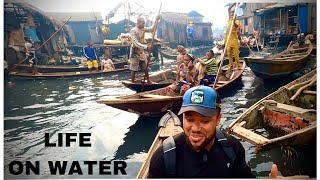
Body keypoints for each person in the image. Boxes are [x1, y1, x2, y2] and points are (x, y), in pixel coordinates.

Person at [149, 86, 279, 178]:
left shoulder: (231, 148)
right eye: (189, 119)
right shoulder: (164, 158)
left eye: (205, 121)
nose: (195, 128)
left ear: (218, 119)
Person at [129, 15, 160, 83]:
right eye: (143, 23)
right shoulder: (133, 31)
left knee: (145, 67)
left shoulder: (143, 29)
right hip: (135, 51)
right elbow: (135, 43)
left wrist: (156, 20)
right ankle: (132, 81)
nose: (144, 24)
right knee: (134, 68)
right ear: (138, 23)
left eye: (144, 23)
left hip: (141, 51)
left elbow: (152, 29)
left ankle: (148, 80)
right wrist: (146, 47)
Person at [224, 3, 241, 70]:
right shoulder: (229, 20)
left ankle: (238, 65)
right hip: (228, 40)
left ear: (235, 16)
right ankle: (231, 65)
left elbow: (237, 26)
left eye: (233, 15)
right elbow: (228, 9)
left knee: (236, 54)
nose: (231, 15)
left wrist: (234, 21)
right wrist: (234, 4)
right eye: (231, 14)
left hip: (234, 40)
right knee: (229, 54)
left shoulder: (237, 21)